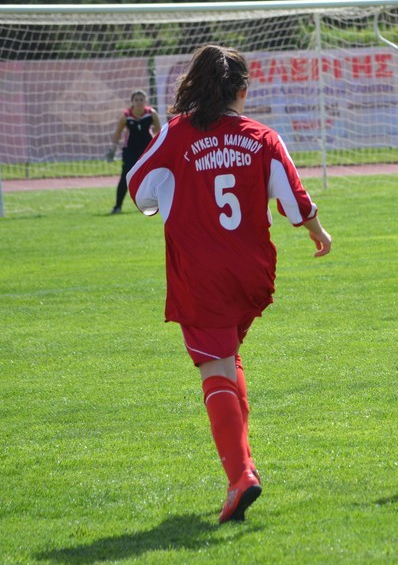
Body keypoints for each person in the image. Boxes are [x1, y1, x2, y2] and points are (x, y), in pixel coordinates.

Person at [126, 45, 333, 523]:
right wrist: (319, 233)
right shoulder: (263, 137)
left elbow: (140, 191)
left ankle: (240, 476)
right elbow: (296, 200)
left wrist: (172, 196)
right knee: (226, 356)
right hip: (251, 274)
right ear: (241, 91)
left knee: (213, 366)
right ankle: (244, 463)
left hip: (201, 275)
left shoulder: (177, 133)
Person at [107, 89, 161, 214]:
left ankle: (156, 203)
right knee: (126, 176)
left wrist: (162, 149)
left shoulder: (151, 114)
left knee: (153, 175)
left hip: (147, 150)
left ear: (145, 101)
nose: (139, 102)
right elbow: (118, 133)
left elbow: (160, 132)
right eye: (136, 100)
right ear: (132, 102)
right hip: (130, 150)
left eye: (141, 99)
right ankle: (117, 206)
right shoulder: (126, 116)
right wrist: (112, 149)